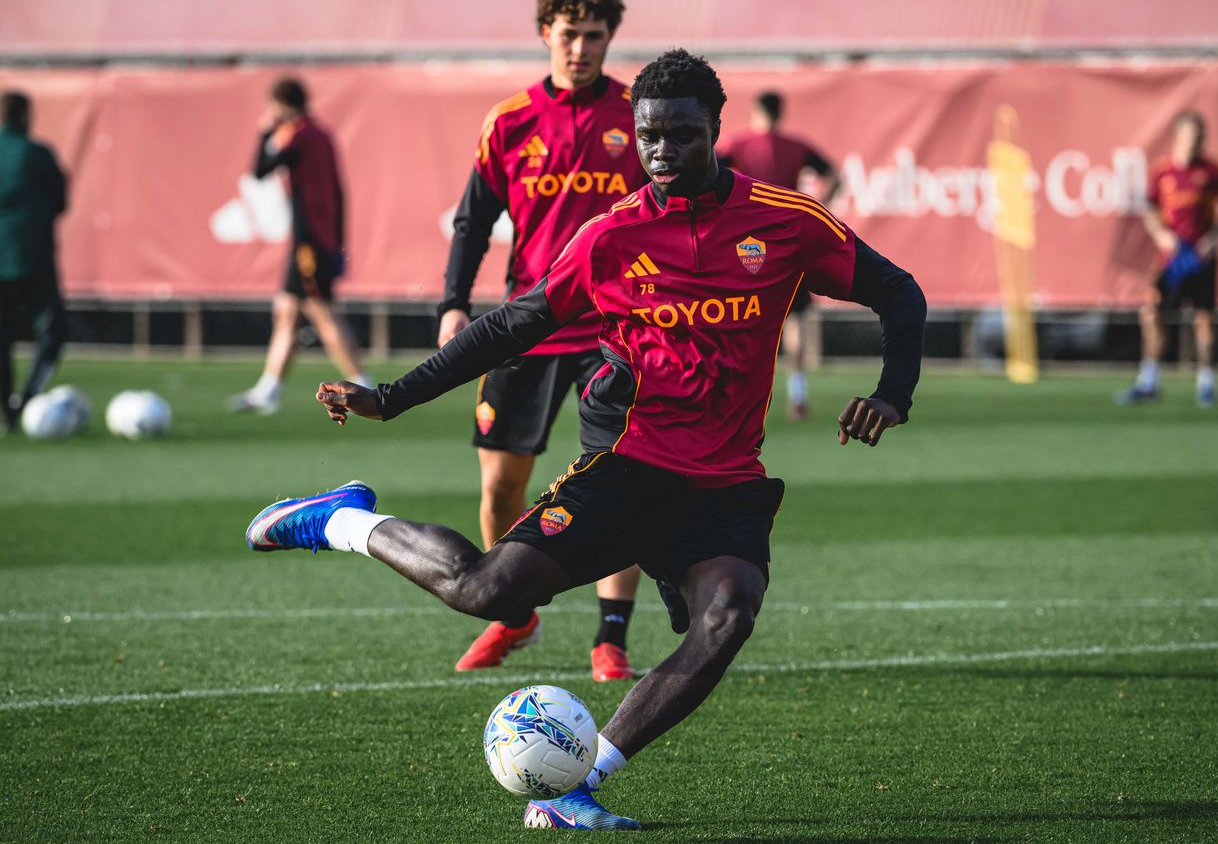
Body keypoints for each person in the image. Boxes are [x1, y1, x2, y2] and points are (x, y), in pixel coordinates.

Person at [245, 49, 926, 830]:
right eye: (648, 137)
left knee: (727, 618)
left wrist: (889, 397)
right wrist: (394, 397)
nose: (661, 153)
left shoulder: (783, 222)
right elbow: (512, 324)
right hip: (631, 469)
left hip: (726, 483)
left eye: (680, 135)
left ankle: (578, 784)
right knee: (488, 592)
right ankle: (337, 520)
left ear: (715, 132)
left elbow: (896, 291)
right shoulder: (611, 236)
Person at [437, 0, 647, 681]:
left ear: (609, 36)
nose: (580, 48)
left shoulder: (638, 118)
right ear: (544, 35)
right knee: (500, 489)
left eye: (593, 35)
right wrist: (452, 305)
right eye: (568, 34)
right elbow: (472, 221)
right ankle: (514, 614)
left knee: (618, 487)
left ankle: (609, 637)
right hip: (527, 325)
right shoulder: (510, 120)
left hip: (617, 330)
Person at [228, 76, 370, 415]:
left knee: (320, 313)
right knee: (287, 312)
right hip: (317, 238)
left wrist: (265, 132)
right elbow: (338, 191)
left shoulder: (301, 136)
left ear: (282, 105)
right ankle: (269, 389)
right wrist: (338, 242)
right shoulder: (321, 135)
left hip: (309, 240)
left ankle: (364, 383)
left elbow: (260, 170)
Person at [718, 90, 841, 419]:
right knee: (796, 317)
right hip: (788, 239)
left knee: (740, 316)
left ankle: (738, 394)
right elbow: (834, 175)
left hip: (746, 240)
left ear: (756, 111)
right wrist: (816, 207)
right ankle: (797, 394)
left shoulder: (737, 144)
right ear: (781, 112)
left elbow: (708, 175)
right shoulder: (796, 147)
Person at [1117, 110, 1218, 408]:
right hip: (1171, 258)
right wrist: (1161, 234)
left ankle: (1206, 383)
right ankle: (1149, 381)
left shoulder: (1212, 171)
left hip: (1201, 257)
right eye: (1191, 136)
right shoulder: (1162, 172)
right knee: (1152, 313)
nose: (1196, 143)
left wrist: (1213, 239)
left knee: (1204, 317)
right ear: (1178, 137)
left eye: (1200, 137)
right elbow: (1149, 207)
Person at [0, 91, 68, 434]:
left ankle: (6, 409)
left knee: (2, 336)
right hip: (33, 257)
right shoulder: (37, 154)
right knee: (53, 331)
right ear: (24, 115)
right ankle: (26, 399)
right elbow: (60, 200)